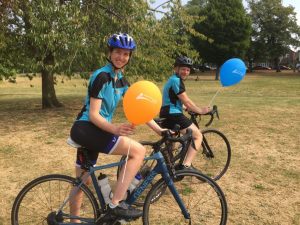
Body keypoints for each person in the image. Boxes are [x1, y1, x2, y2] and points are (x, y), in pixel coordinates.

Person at [69, 33, 165, 222]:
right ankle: (116, 203)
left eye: (126, 54)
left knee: (83, 182)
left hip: (93, 131)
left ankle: (73, 221)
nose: (121, 57)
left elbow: (141, 110)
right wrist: (114, 129)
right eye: (118, 52)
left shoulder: (121, 80)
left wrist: (160, 131)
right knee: (138, 151)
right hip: (87, 128)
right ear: (110, 52)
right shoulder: (102, 76)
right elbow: (94, 114)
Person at [159, 56, 211, 169]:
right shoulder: (176, 80)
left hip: (166, 114)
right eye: (183, 69)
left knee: (170, 144)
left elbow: (173, 100)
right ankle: (185, 166)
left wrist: (184, 108)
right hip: (173, 115)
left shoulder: (172, 79)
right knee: (197, 136)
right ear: (176, 69)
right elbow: (186, 100)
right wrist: (200, 110)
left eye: (188, 70)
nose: (186, 72)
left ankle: (168, 168)